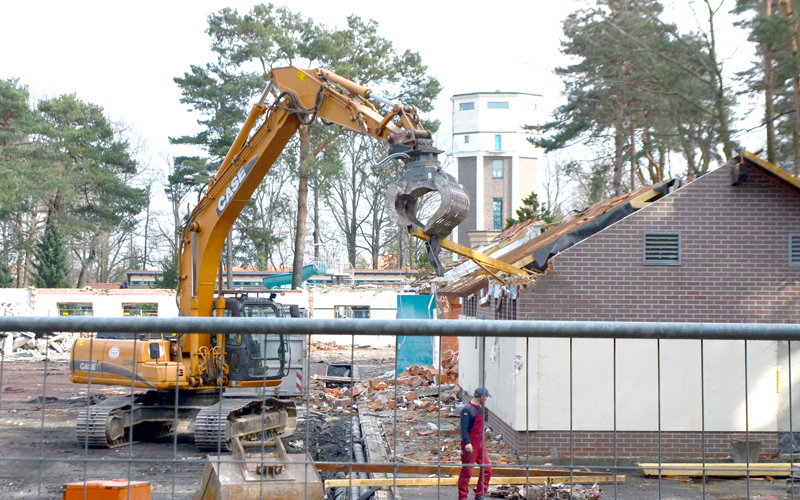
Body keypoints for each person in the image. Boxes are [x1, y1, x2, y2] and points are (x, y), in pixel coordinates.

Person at [458, 386, 492, 500]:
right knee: (467, 471)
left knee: (487, 468)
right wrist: (467, 443)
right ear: (481, 396)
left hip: (480, 443)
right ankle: (463, 496)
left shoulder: (479, 408)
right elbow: (463, 428)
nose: (486, 399)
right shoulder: (467, 409)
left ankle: (480, 494)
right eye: (486, 397)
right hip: (470, 444)